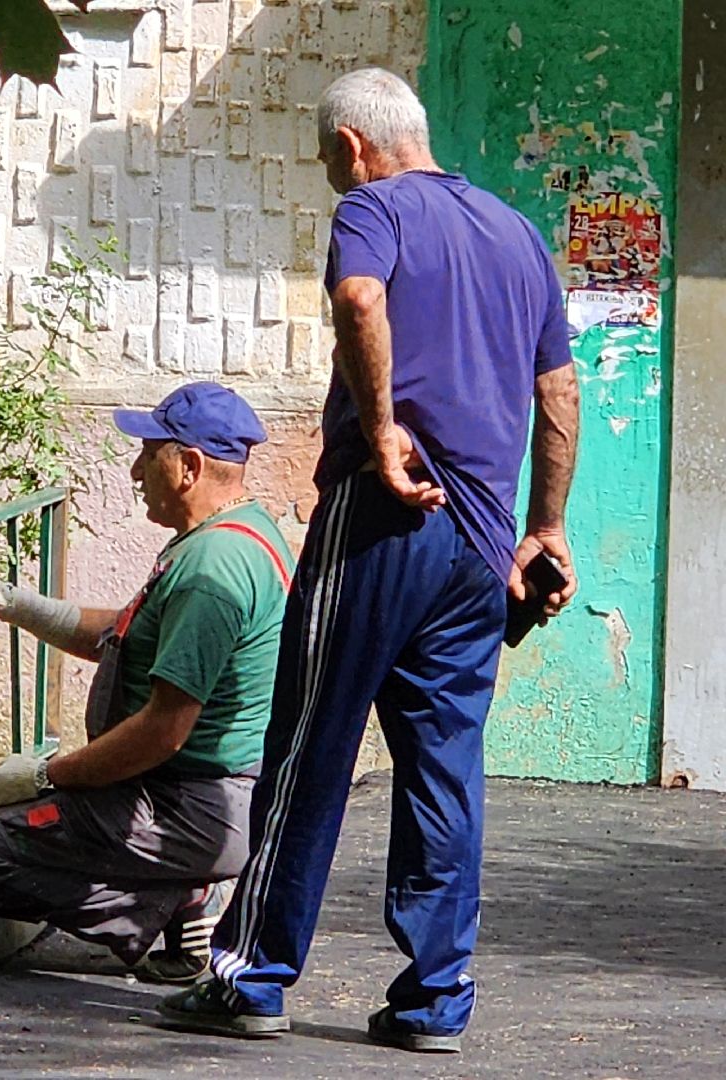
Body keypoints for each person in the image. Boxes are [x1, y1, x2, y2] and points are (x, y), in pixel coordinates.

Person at [159, 68, 581, 1053]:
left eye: (326, 162)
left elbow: (358, 298)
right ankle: (436, 999)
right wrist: (547, 526)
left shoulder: (374, 210)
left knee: (310, 740)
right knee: (445, 766)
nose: (331, 177)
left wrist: (384, 431)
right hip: (483, 543)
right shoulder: (518, 235)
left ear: (352, 146)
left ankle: (252, 977)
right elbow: (559, 392)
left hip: (382, 516)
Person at [0, 381, 295, 984]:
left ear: (189, 467)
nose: (135, 471)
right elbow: (122, 635)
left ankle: (174, 902)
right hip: (191, 798)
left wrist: (44, 775)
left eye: (148, 455)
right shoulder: (236, 535)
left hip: (186, 807)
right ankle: (177, 895)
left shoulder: (211, 571)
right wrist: (9, 603)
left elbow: (162, 732)